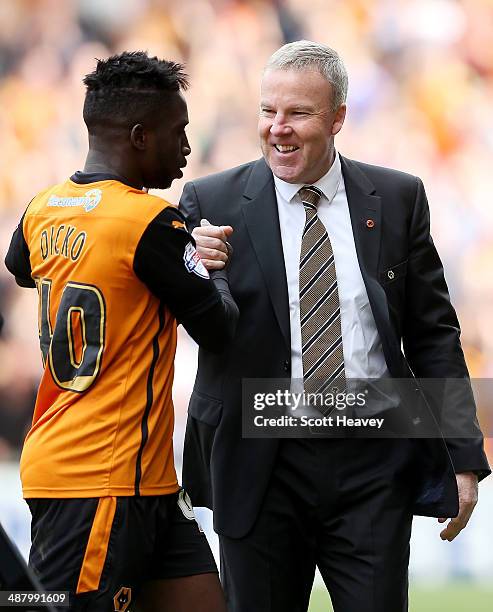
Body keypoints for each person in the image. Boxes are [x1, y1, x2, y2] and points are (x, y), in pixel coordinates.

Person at [179, 41, 490, 612]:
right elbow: (205, 324)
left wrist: (464, 456)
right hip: (260, 463)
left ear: (338, 118)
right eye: (268, 111)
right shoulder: (209, 201)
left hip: (373, 462)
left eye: (298, 113)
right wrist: (191, 267)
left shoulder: (397, 198)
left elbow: (433, 334)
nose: (278, 128)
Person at [4, 51, 237, 612]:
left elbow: (20, 264)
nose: (186, 146)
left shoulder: (43, 207)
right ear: (139, 136)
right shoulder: (149, 222)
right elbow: (222, 327)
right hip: (95, 479)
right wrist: (214, 268)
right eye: (176, 132)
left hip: (146, 481)